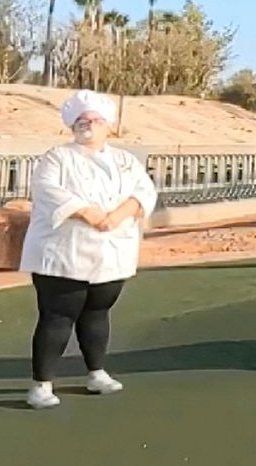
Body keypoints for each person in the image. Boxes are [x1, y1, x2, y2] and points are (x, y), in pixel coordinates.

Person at [19, 90, 158, 410]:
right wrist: (88, 213)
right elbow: (48, 190)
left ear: (108, 125)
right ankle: (41, 384)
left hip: (112, 251)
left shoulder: (124, 159)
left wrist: (118, 215)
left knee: (98, 312)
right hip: (65, 253)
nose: (88, 125)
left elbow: (143, 191)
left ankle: (96, 372)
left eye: (95, 120)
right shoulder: (57, 157)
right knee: (57, 316)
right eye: (81, 121)